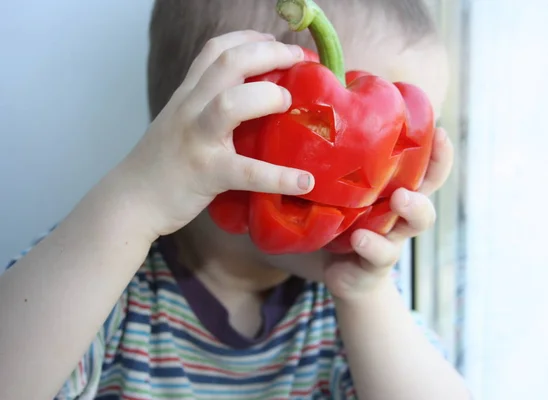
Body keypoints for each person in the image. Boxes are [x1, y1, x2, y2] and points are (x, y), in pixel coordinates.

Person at [0, 0, 470, 398]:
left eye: (411, 143)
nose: (392, 181)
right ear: (226, 129)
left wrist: (367, 295)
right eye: (335, 128)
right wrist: (135, 202)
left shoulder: (355, 309)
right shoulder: (101, 280)